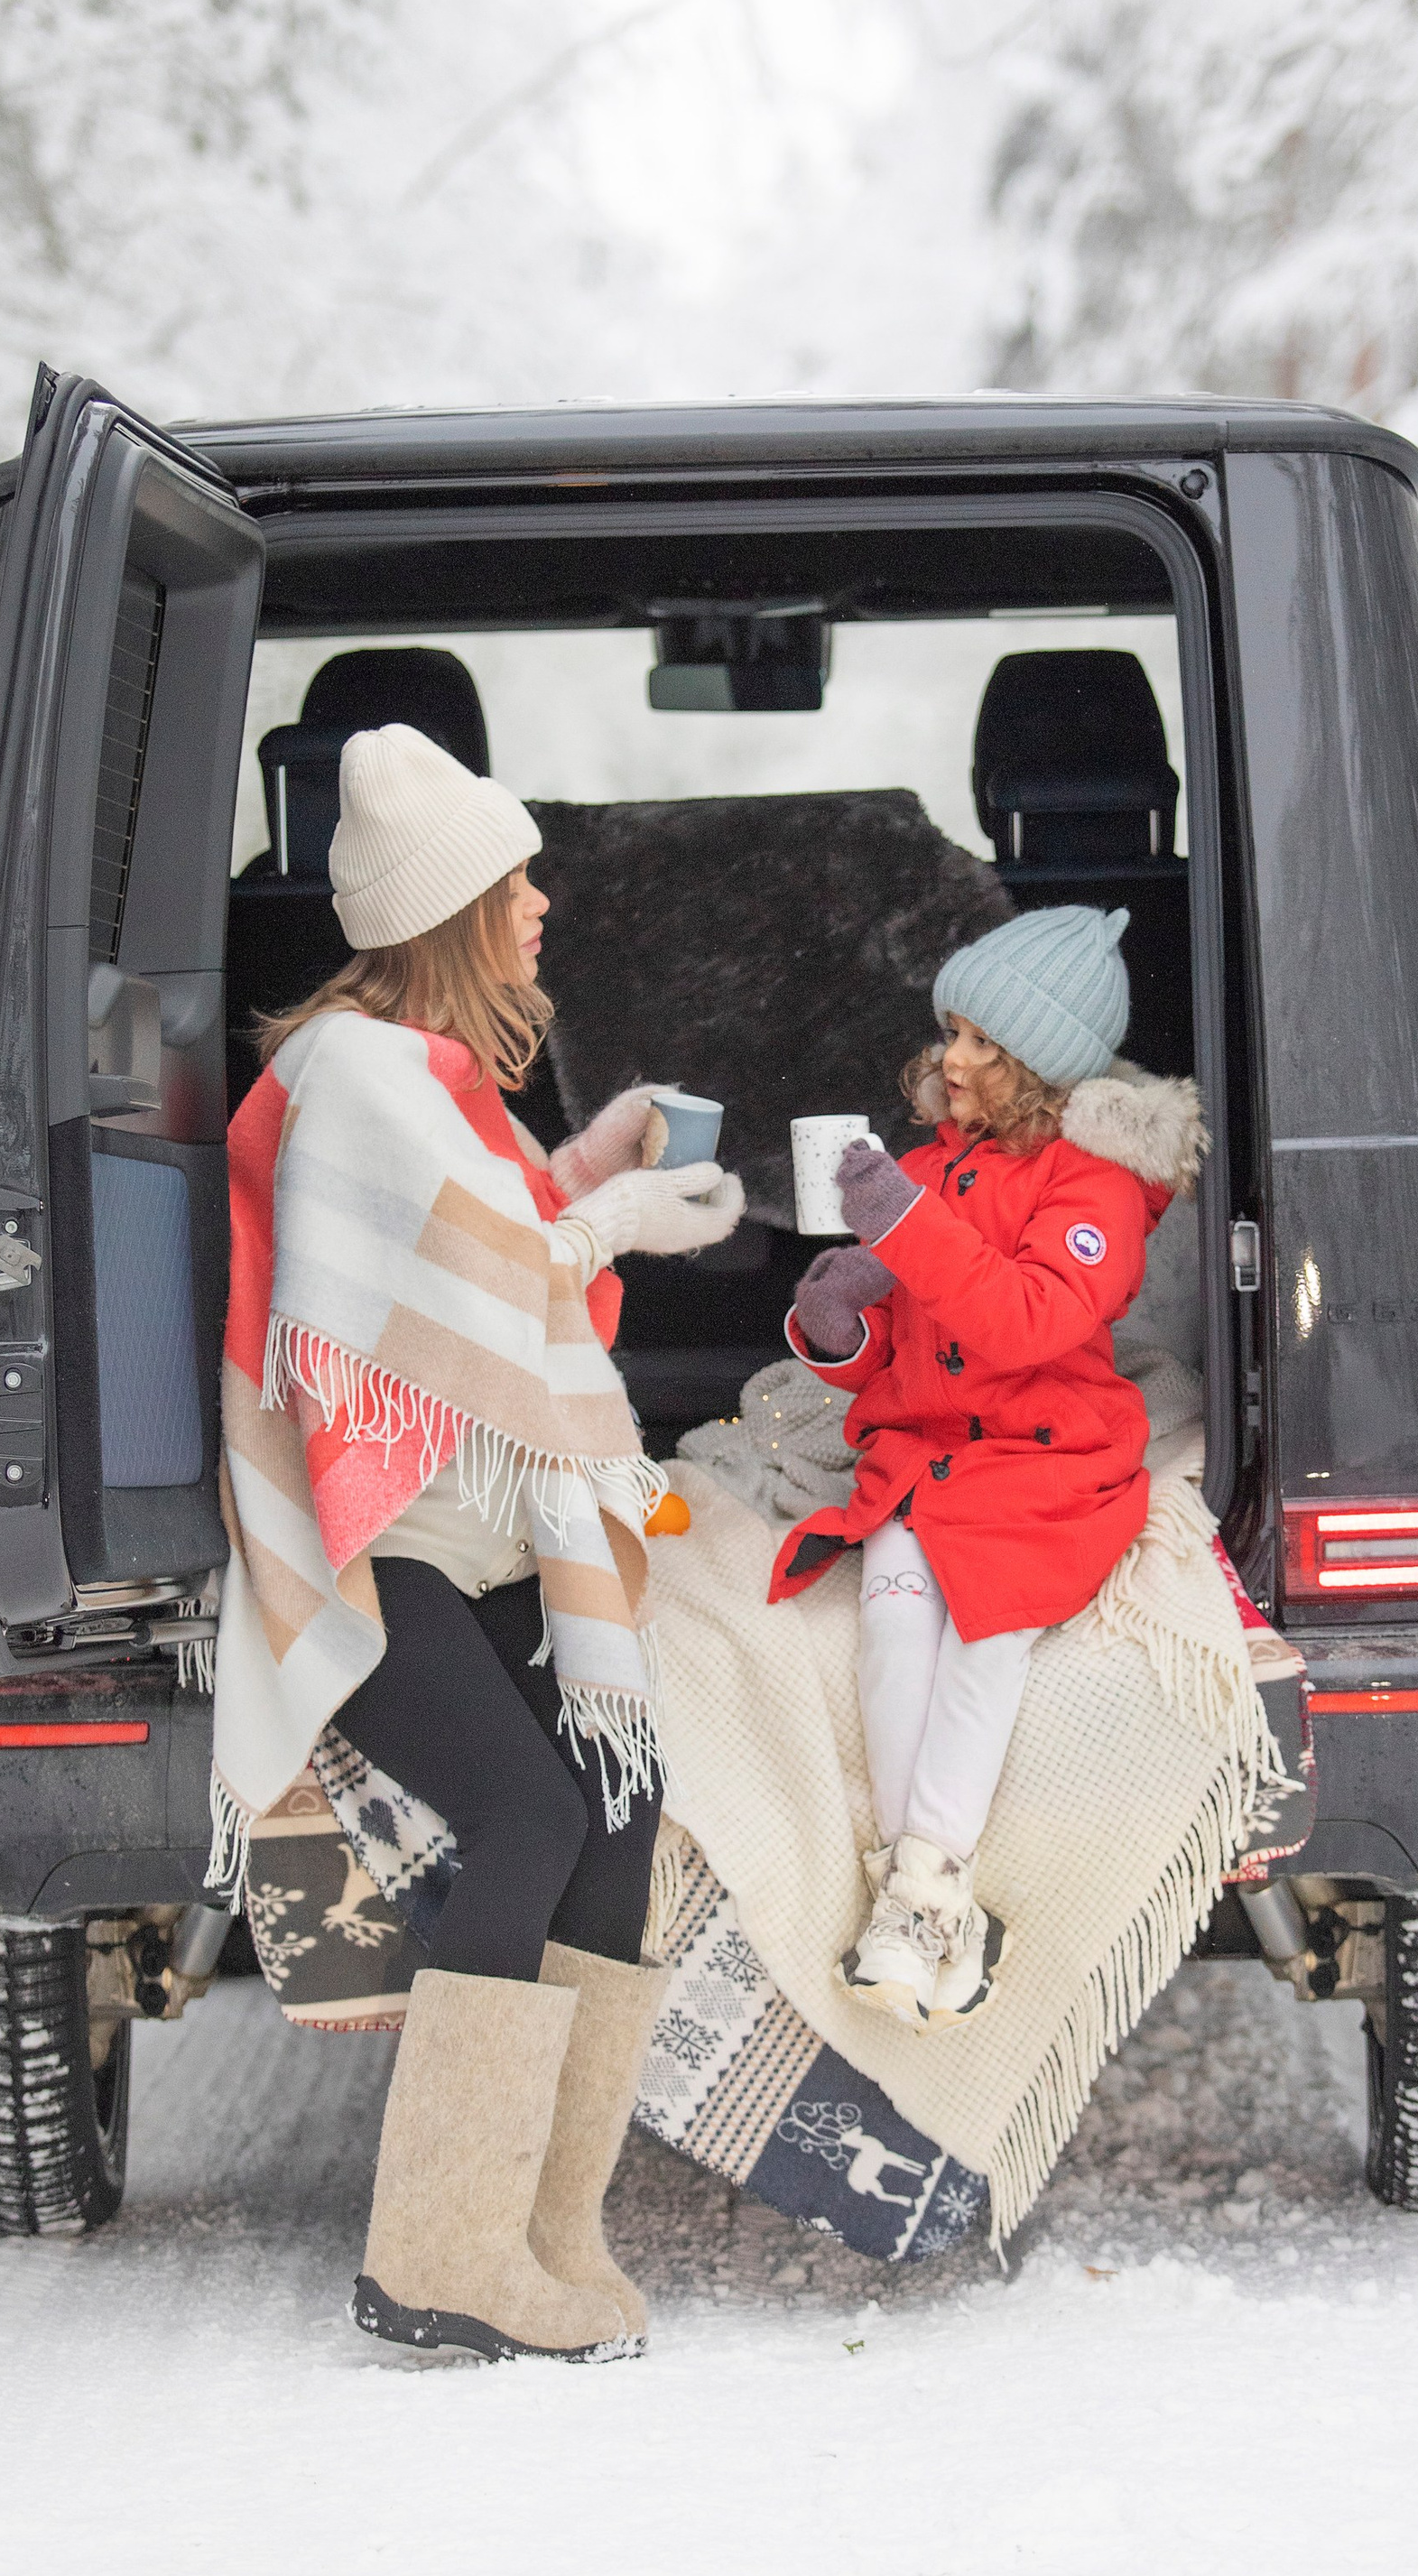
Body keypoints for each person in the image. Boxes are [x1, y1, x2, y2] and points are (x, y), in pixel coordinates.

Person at [209, 724, 744, 2365]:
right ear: (451, 909)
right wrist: (610, 1220)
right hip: (370, 1553)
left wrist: (598, 1159)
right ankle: (437, 2254)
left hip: (472, 1533)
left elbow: (485, 1247)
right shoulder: (357, 1080)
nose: (543, 906)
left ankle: (543, 2227)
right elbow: (471, 1292)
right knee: (526, 1812)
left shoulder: (435, 1082)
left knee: (620, 1801)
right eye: (517, 883)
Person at [772, 907, 1202, 2025]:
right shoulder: (929, 1167)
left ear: (1042, 1070)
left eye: (982, 1046)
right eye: (951, 1034)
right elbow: (897, 1364)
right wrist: (834, 1326)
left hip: (1043, 1461)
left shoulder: (1094, 1189)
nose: (951, 1061)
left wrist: (906, 1228)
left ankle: (915, 1890)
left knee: (985, 1640)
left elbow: (1020, 1325)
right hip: (925, 1458)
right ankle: (933, 1906)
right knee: (892, 1622)